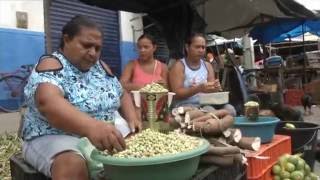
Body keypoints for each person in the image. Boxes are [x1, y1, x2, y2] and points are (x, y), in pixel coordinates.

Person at [21, 15, 141, 180]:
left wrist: (132, 117)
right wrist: (92, 127)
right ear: (67, 39)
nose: (93, 53)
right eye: (86, 45)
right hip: (56, 136)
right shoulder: (53, 64)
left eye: (97, 48)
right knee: (72, 165)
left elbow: (121, 93)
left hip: (99, 136)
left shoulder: (100, 67)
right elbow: (47, 102)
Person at [169, 33, 236, 116]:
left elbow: (211, 91)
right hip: (185, 106)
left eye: (203, 47)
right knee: (209, 111)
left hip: (206, 104)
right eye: (197, 47)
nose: (201, 50)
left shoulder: (207, 66)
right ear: (187, 47)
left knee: (230, 109)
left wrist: (215, 88)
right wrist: (198, 88)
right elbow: (176, 94)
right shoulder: (179, 66)